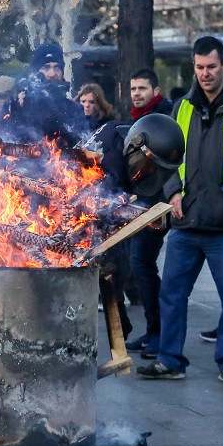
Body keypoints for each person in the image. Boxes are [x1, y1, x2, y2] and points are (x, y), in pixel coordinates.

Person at [136, 36, 223, 385]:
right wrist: (173, 193)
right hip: (186, 220)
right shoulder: (182, 107)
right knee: (172, 294)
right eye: (199, 67)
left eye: (212, 66)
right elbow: (166, 159)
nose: (205, 74)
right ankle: (169, 360)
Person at [81, 113, 185, 345]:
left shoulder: (134, 137)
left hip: (120, 202)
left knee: (136, 263)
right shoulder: (107, 163)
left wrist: (149, 213)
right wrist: (116, 306)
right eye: (145, 166)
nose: (146, 172)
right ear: (133, 147)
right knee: (111, 258)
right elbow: (107, 243)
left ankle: (152, 331)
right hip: (82, 212)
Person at [122, 68, 175, 359]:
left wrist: (165, 204)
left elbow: (170, 165)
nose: (137, 93)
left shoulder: (164, 120)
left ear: (155, 90)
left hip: (154, 206)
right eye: (133, 89)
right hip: (133, 205)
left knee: (142, 266)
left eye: (142, 88)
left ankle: (158, 333)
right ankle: (153, 331)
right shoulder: (134, 120)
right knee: (138, 266)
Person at [11, 42, 86, 148]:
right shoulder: (18, 105)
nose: (52, 74)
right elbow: (12, 139)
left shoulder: (74, 109)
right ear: (35, 73)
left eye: (57, 68)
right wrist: (19, 110)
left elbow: (79, 143)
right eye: (46, 68)